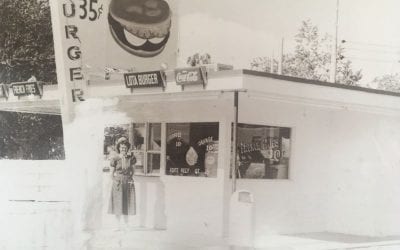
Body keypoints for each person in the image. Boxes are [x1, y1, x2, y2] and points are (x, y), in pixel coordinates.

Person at [108, 137, 136, 229]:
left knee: (126, 203)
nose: (123, 149)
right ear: (118, 148)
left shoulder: (131, 158)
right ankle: (117, 225)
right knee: (118, 203)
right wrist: (115, 181)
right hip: (118, 183)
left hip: (127, 182)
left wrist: (130, 179)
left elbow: (133, 171)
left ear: (127, 148)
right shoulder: (115, 159)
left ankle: (126, 225)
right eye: (121, 147)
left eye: (125, 147)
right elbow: (111, 174)